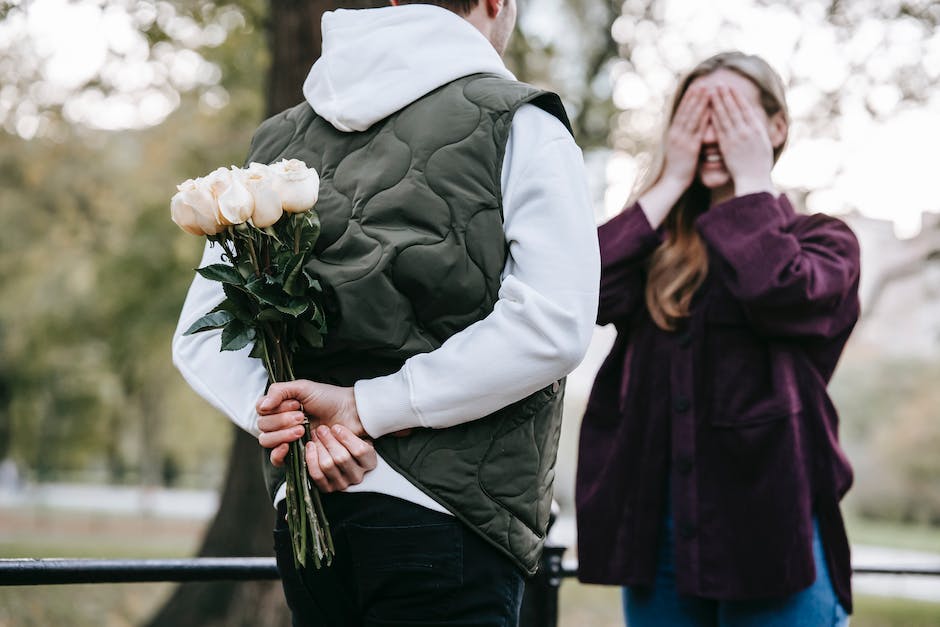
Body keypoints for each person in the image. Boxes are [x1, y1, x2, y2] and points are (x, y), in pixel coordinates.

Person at [172, 0, 600, 624]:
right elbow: (554, 323)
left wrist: (300, 428)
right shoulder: (519, 121)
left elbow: (203, 334)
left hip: (312, 511)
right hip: (452, 512)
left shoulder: (279, 142)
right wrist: (365, 408)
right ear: (495, 4)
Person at [575, 51, 859, 627]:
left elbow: (780, 290)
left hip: (774, 536)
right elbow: (576, 291)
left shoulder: (825, 241)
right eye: (694, 115)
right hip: (658, 541)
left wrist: (752, 182)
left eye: (728, 113)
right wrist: (672, 179)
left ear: (776, 127)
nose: (710, 132)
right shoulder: (651, 247)